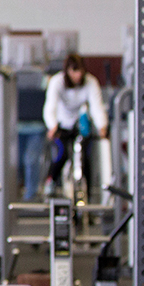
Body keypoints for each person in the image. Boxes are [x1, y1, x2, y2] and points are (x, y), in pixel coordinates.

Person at [42, 52, 108, 197]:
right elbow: (50, 106)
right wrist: (52, 125)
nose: (77, 75)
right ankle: (50, 181)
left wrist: (102, 125)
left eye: (80, 71)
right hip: (61, 124)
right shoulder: (57, 82)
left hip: (79, 124)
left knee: (85, 158)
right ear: (67, 71)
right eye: (74, 71)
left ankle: (87, 195)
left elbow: (97, 106)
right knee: (62, 153)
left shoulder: (91, 82)